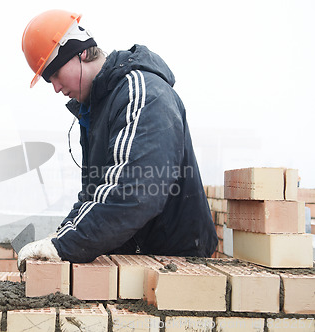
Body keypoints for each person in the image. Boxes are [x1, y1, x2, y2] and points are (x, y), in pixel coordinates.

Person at [17, 9, 217, 271]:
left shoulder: (142, 93)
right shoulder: (97, 109)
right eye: (47, 79)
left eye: (54, 73)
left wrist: (64, 246)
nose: (55, 88)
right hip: (138, 256)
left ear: (82, 53)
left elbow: (135, 192)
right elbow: (96, 192)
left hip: (176, 260)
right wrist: (59, 238)